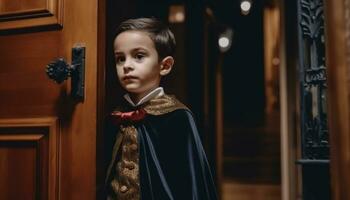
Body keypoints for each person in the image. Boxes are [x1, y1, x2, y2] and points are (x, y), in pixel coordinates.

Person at [104, 17, 217, 200]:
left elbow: (190, 182)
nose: (126, 65)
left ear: (165, 66)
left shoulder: (177, 117)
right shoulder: (115, 115)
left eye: (139, 56)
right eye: (120, 58)